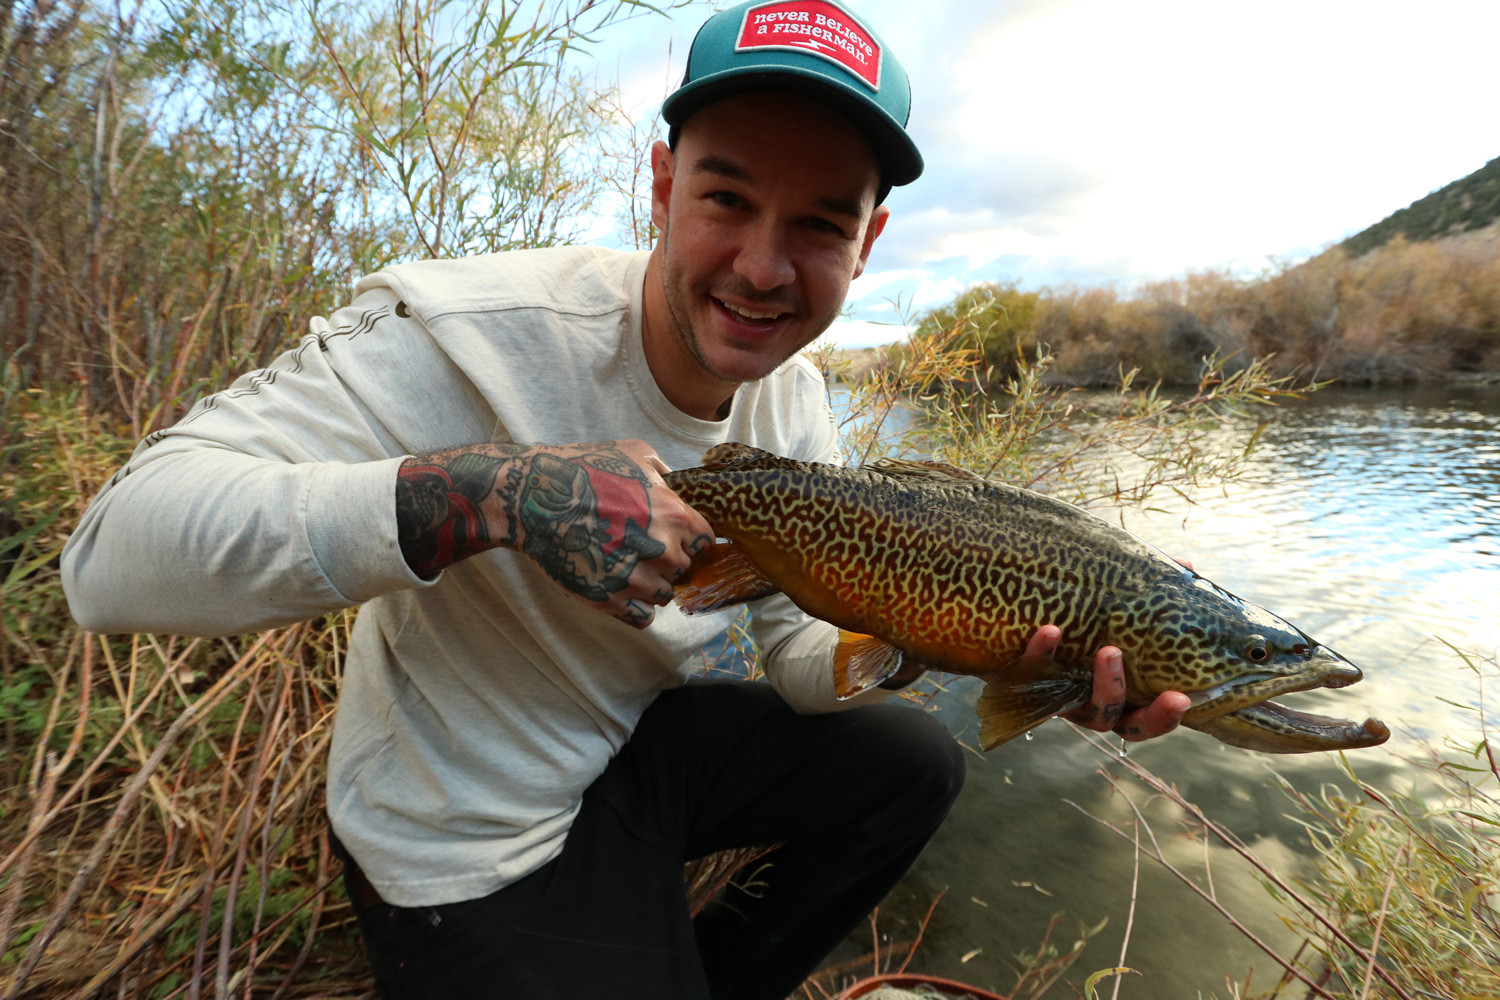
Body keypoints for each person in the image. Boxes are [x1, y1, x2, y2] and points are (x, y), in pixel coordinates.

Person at [62, 2, 1190, 997]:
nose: (760, 267)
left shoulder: (791, 398)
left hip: (626, 752)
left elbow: (801, 652)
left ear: (870, 240)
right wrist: (487, 490)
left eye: (818, 226)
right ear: (661, 184)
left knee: (913, 760)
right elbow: (111, 554)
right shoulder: (456, 330)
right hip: (467, 829)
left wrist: (925, 639)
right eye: (725, 197)